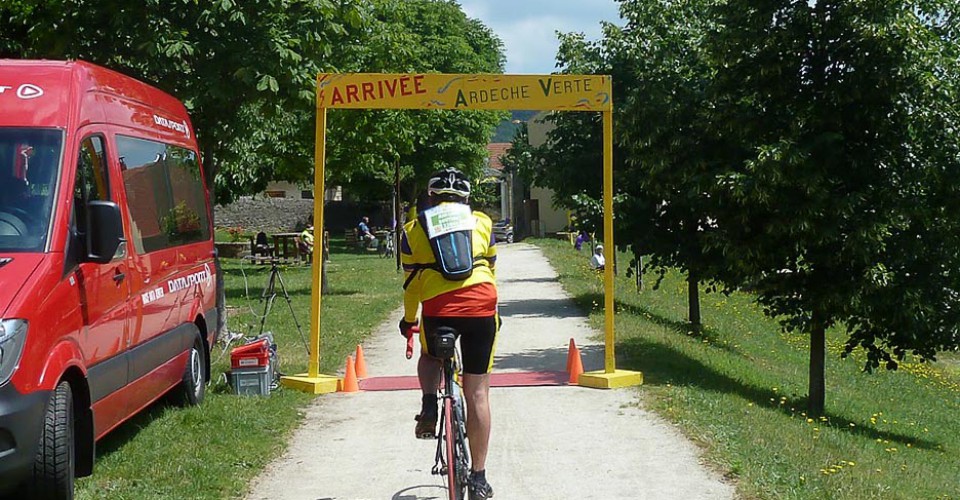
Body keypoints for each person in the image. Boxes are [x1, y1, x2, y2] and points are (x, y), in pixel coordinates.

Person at [399, 167, 498, 499]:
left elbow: (411, 285)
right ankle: (480, 478)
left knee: (430, 353)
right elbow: (491, 268)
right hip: (482, 305)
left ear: (431, 197)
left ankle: (429, 405)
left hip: (439, 309)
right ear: (467, 199)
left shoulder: (413, 230)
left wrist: (409, 321)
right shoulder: (482, 223)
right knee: (478, 393)